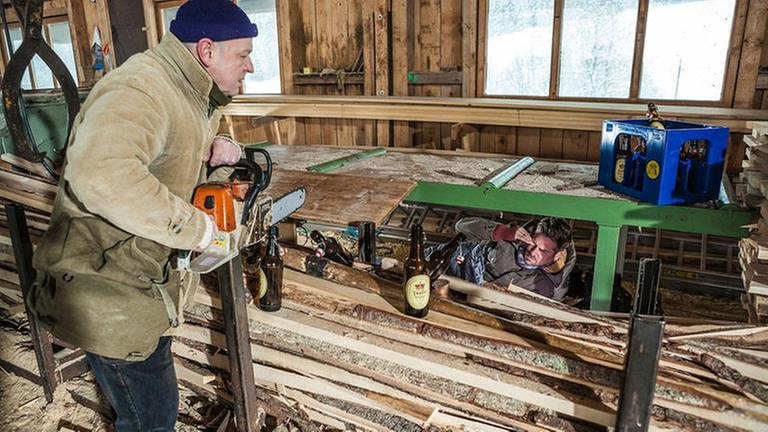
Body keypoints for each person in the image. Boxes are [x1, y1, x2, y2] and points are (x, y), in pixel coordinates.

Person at [27, 0, 258, 430]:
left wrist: (217, 149)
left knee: (153, 409)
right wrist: (197, 229)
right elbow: (102, 172)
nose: (250, 66)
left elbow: (168, 157)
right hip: (111, 292)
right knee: (152, 420)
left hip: (140, 285)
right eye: (243, 55)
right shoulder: (142, 88)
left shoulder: (192, 92)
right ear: (207, 51)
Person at [430, 216, 575, 300]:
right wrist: (501, 232)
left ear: (557, 255)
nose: (532, 251)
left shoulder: (543, 287)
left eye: (543, 251)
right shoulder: (512, 238)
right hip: (437, 262)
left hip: (453, 297)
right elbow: (461, 226)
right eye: (533, 243)